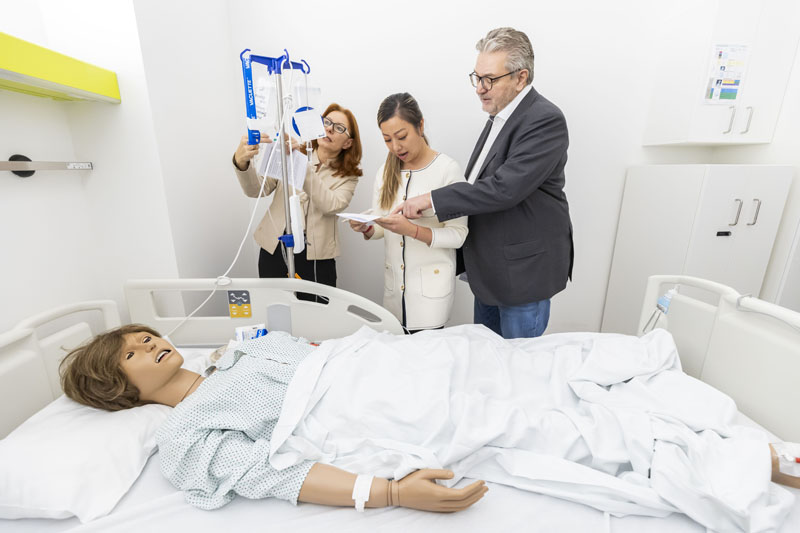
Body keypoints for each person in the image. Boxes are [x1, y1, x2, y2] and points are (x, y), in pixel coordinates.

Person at [59, 324, 800, 530]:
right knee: (515, 421)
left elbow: (319, 349)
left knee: (524, 363)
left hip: (380, 361)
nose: (152, 342)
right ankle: (738, 461)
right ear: (119, 388)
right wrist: (387, 492)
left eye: (147, 334)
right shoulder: (186, 436)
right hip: (361, 407)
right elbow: (272, 473)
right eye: (132, 352)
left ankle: (672, 416)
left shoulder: (238, 354)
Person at [395, 28, 574, 339]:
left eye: (489, 79)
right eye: (477, 78)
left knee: (518, 362)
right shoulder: (499, 118)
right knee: (486, 356)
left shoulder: (545, 119)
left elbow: (505, 189)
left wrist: (431, 200)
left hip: (522, 274)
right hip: (491, 271)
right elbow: (481, 183)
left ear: (520, 78)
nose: (479, 88)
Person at [349, 93, 468, 332]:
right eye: (387, 140)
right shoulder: (385, 172)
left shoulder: (447, 170)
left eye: (401, 136)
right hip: (394, 295)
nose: (396, 147)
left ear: (420, 126)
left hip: (431, 296)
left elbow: (458, 235)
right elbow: (383, 224)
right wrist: (367, 226)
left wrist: (412, 230)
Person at [232, 103, 363, 292]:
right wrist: (241, 162)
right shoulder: (291, 153)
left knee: (316, 309)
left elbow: (331, 205)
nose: (329, 129)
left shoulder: (348, 176)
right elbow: (257, 189)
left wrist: (301, 164)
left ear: (348, 143)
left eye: (339, 128)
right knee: (275, 306)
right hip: (274, 248)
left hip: (315, 258)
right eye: (327, 122)